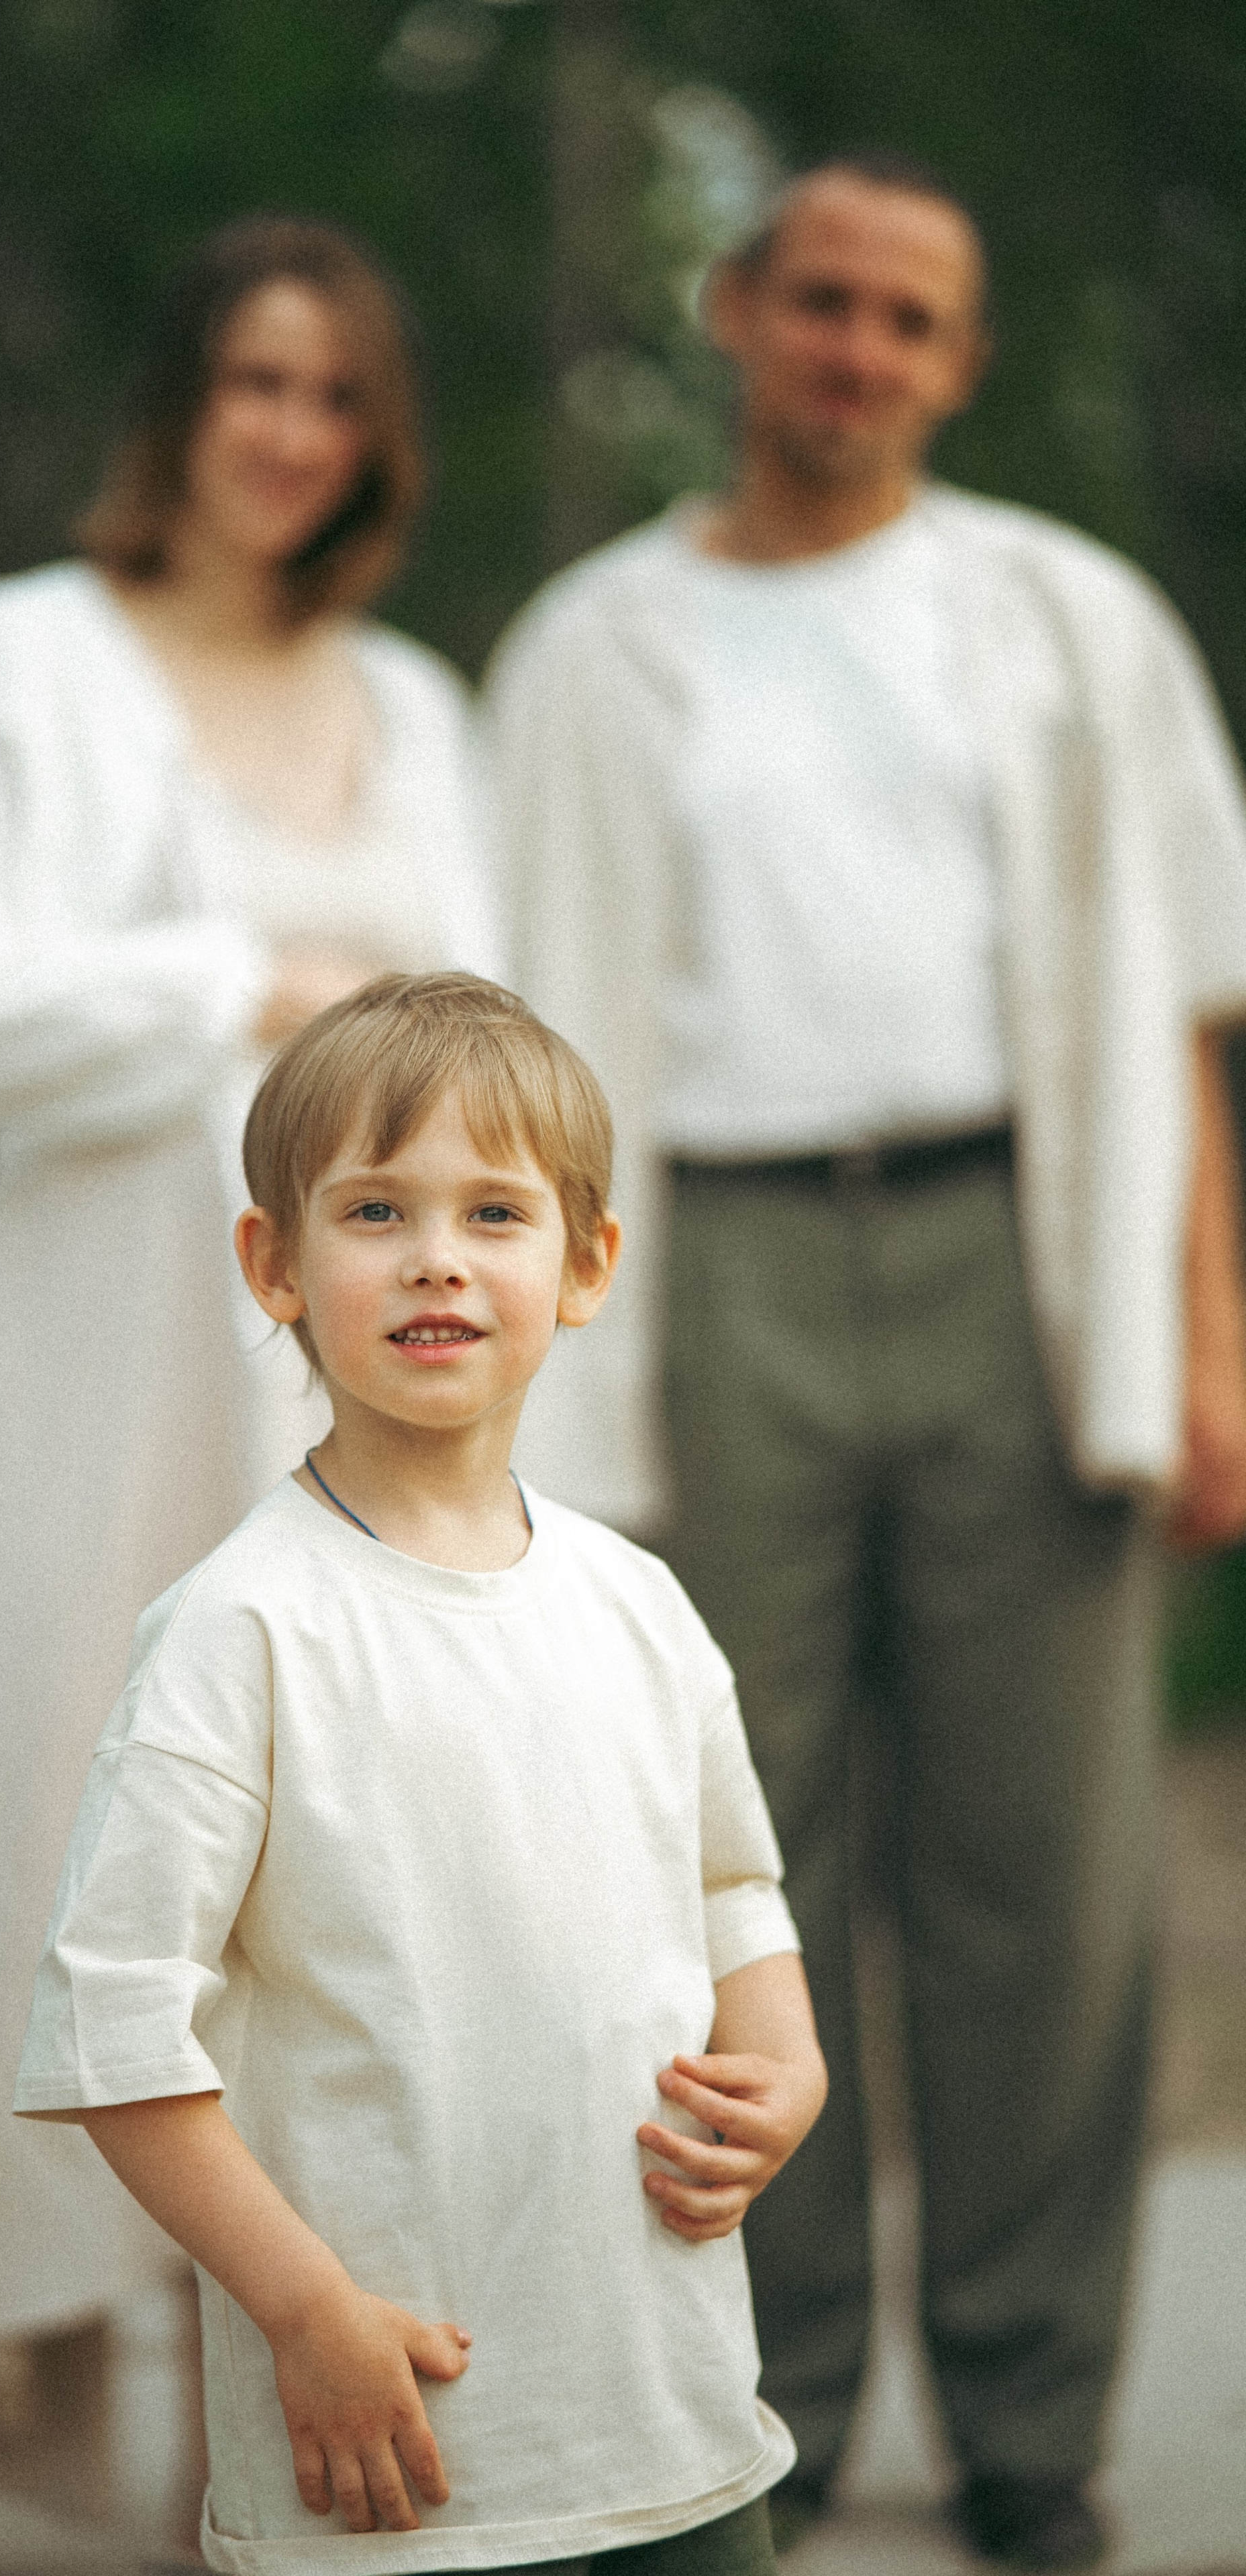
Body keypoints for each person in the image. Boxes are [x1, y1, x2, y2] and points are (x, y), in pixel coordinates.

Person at [0, 223, 496, 2576]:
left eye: (337, 395)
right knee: (18, 1881)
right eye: (254, 379)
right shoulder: (15, 659)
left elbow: (488, 1061)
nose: (291, 431)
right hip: (81, 1382)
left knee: (333, 1917)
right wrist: (265, 975)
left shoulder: (422, 705)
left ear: (378, 441)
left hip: (342, 1408)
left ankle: (243, 2497)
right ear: (178, 402)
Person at [490, 156, 1246, 2571]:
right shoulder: (592, 647)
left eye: (911, 319)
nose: (859, 351)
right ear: (735, 310)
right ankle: (768, 2405)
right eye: (821, 302)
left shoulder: (1067, 618)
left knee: (1052, 1875)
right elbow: (502, 1027)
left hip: (1026, 1250)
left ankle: (1033, 2416)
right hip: (705, 1265)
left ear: (961, 360)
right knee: (730, 1859)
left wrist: (1211, 1334)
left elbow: (1185, 1015)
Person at [13, 969, 828, 2576]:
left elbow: (731, 1876)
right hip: (391, 2459)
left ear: (586, 1264)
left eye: (493, 1212)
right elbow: (108, 2021)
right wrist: (303, 2311)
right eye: (374, 1209)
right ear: (276, 1265)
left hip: (672, 2429)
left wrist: (786, 2065)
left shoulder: (635, 1603)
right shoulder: (238, 1632)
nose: (436, 1256)